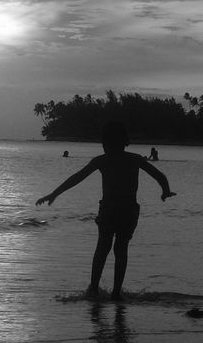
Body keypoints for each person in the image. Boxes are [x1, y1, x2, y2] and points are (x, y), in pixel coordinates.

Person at [36, 121, 176, 301]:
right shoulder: (135, 159)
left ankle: (94, 289)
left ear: (105, 143)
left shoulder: (102, 160)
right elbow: (159, 176)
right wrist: (164, 191)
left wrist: (54, 194)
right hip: (129, 210)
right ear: (125, 141)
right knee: (121, 249)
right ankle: (116, 293)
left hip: (109, 209)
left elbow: (77, 178)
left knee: (103, 247)